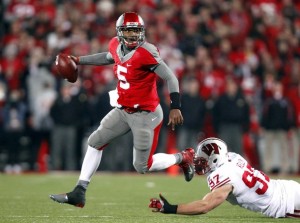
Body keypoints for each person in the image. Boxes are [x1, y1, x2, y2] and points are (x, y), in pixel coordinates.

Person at [50, 12, 194, 207]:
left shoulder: (146, 52)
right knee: (95, 141)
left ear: (142, 32)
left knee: (142, 166)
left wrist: (175, 106)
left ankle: (182, 158)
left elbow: (171, 78)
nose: (133, 35)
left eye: (136, 31)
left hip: (146, 114)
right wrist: (79, 59)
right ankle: (79, 191)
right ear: (120, 32)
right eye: (128, 30)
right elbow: (109, 57)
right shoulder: (116, 46)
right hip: (123, 110)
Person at [149, 137, 300, 218]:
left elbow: (205, 206)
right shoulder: (232, 158)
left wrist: (171, 208)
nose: (201, 164)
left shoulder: (225, 176)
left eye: (204, 160)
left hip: (285, 204)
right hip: (286, 187)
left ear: (215, 160)